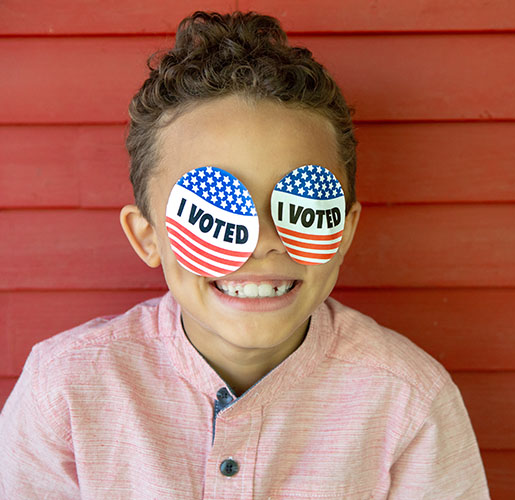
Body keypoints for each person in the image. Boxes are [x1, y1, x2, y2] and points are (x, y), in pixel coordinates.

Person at [0, 11, 489, 498]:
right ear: (148, 236)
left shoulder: (410, 403)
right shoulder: (63, 393)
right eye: (215, 206)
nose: (263, 241)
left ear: (343, 231)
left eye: (301, 204)